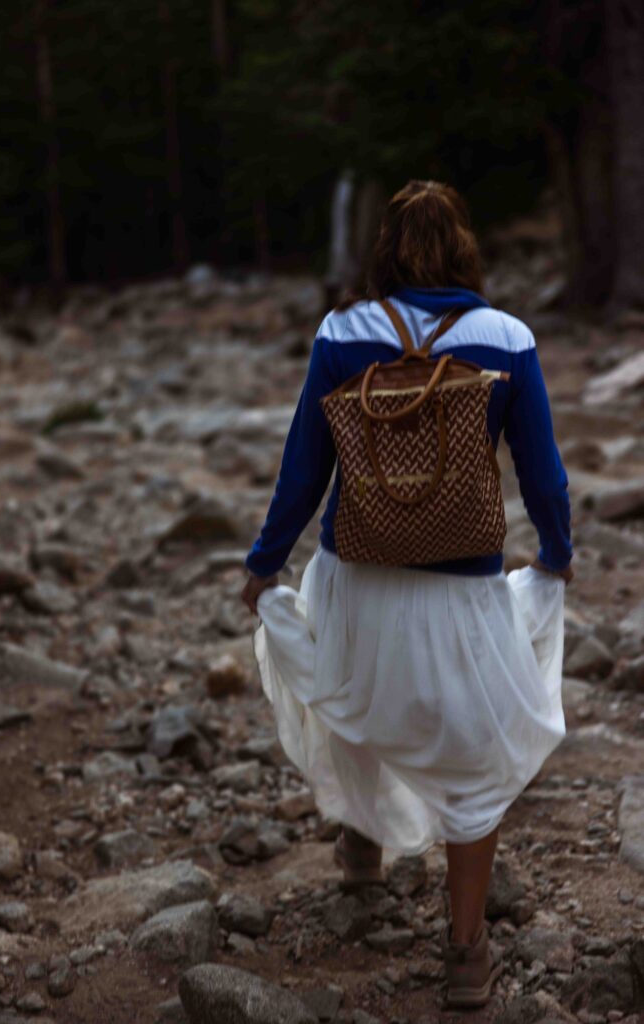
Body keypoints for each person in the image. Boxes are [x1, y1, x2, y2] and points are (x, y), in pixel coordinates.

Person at [240, 179, 573, 1008]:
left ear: (382, 249)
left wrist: (263, 562)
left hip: (357, 578)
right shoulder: (506, 337)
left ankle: (360, 845)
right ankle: (464, 954)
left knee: (350, 697)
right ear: (464, 246)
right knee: (469, 762)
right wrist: (557, 555)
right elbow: (541, 472)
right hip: (458, 591)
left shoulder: (341, 331)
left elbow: (303, 469)